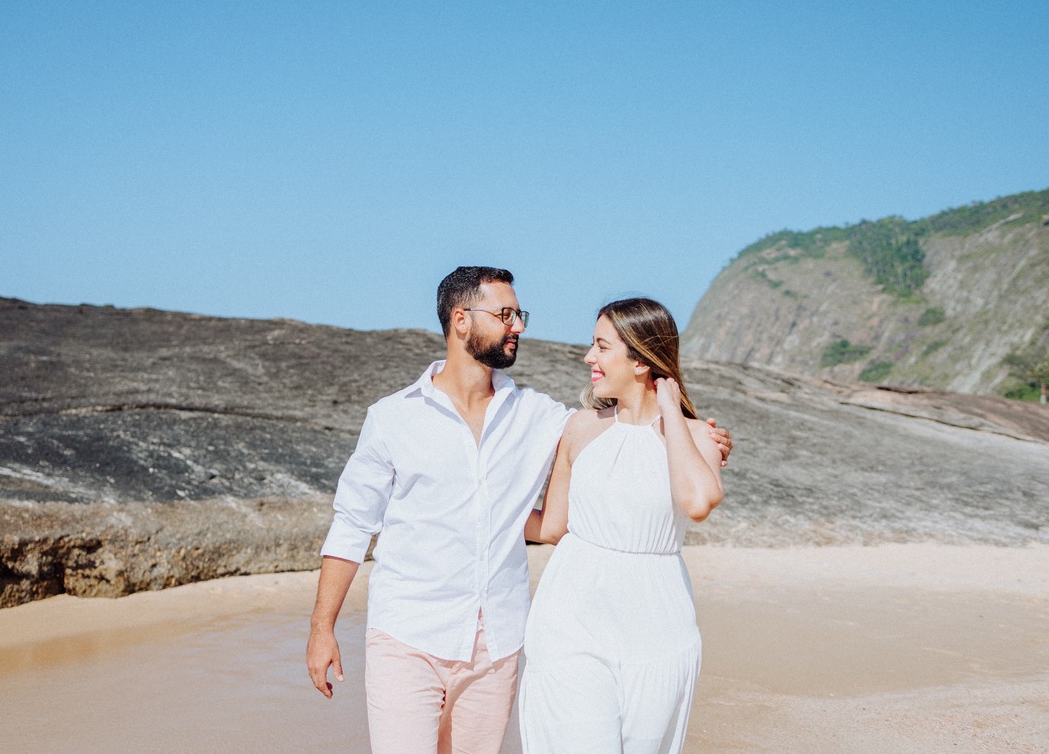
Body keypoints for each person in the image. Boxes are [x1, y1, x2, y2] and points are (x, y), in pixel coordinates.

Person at [306, 268, 731, 754]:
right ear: (461, 320)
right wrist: (322, 629)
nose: (519, 326)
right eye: (506, 314)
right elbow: (353, 524)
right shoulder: (393, 418)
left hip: (499, 643)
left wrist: (694, 429)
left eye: (519, 314)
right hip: (408, 632)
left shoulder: (541, 416)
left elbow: (574, 511)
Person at [519, 297, 725, 754]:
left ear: (639, 360)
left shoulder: (695, 436)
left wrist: (671, 409)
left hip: (658, 624)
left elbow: (697, 502)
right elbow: (553, 526)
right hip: (571, 618)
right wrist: (473, 512)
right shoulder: (579, 428)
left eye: (601, 346)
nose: (589, 357)